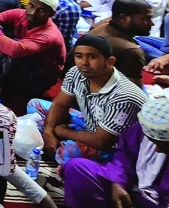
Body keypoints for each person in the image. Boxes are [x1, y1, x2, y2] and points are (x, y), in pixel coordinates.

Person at [35, 35, 148, 164]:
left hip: (115, 147)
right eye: (78, 56)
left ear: (110, 61)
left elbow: (103, 142)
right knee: (35, 105)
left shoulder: (124, 96)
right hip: (90, 127)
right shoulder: (76, 73)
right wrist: (49, 132)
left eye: (92, 57)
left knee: (68, 154)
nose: (84, 62)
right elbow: (60, 103)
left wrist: (62, 131)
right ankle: (54, 143)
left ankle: (57, 147)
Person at [0, 0, 66, 99]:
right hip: (20, 61)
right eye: (31, 6)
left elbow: (15, 50)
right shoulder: (20, 14)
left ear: (51, 14)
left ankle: (1, 84)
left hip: (39, 77)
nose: (32, 12)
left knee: (12, 48)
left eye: (41, 10)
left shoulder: (50, 35)